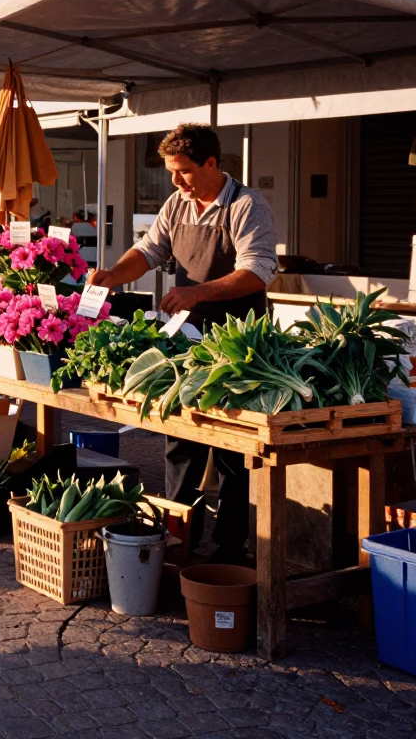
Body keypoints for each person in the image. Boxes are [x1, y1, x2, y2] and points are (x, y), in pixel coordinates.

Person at [89, 124, 278, 563]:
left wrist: (198, 291)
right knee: (181, 440)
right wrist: (113, 275)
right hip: (187, 342)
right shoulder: (178, 204)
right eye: (172, 171)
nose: (176, 181)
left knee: (233, 449)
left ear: (212, 164)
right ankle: (179, 540)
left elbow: (258, 270)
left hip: (240, 345)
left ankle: (230, 550)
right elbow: (149, 250)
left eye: (185, 171)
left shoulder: (247, 206)